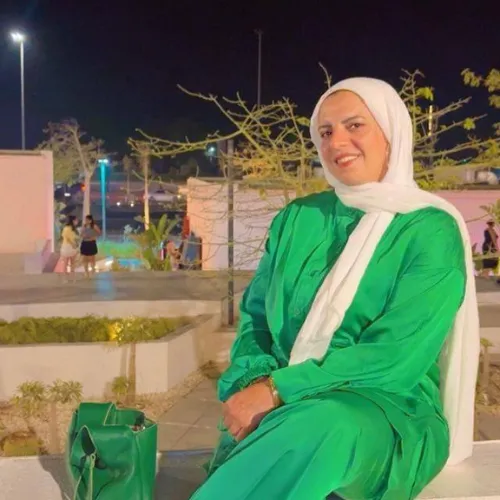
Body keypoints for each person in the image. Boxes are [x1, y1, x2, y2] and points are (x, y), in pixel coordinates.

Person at [191, 78, 480, 500]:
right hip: (284, 403)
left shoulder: (429, 229)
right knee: (297, 431)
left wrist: (278, 390)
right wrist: (252, 384)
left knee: (323, 425)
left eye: (355, 125)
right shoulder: (296, 219)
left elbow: (394, 358)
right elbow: (256, 320)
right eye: (325, 132)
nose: (336, 142)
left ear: (391, 132)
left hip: (387, 411)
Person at [60, 215, 79, 282]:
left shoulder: (73, 229)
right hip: (67, 247)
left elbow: (74, 237)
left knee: (73, 263)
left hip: (72, 247)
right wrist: (73, 244)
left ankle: (72, 277)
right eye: (76, 220)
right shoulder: (66, 228)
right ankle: (65, 278)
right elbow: (67, 238)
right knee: (66, 263)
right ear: (72, 221)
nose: (77, 221)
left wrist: (75, 244)